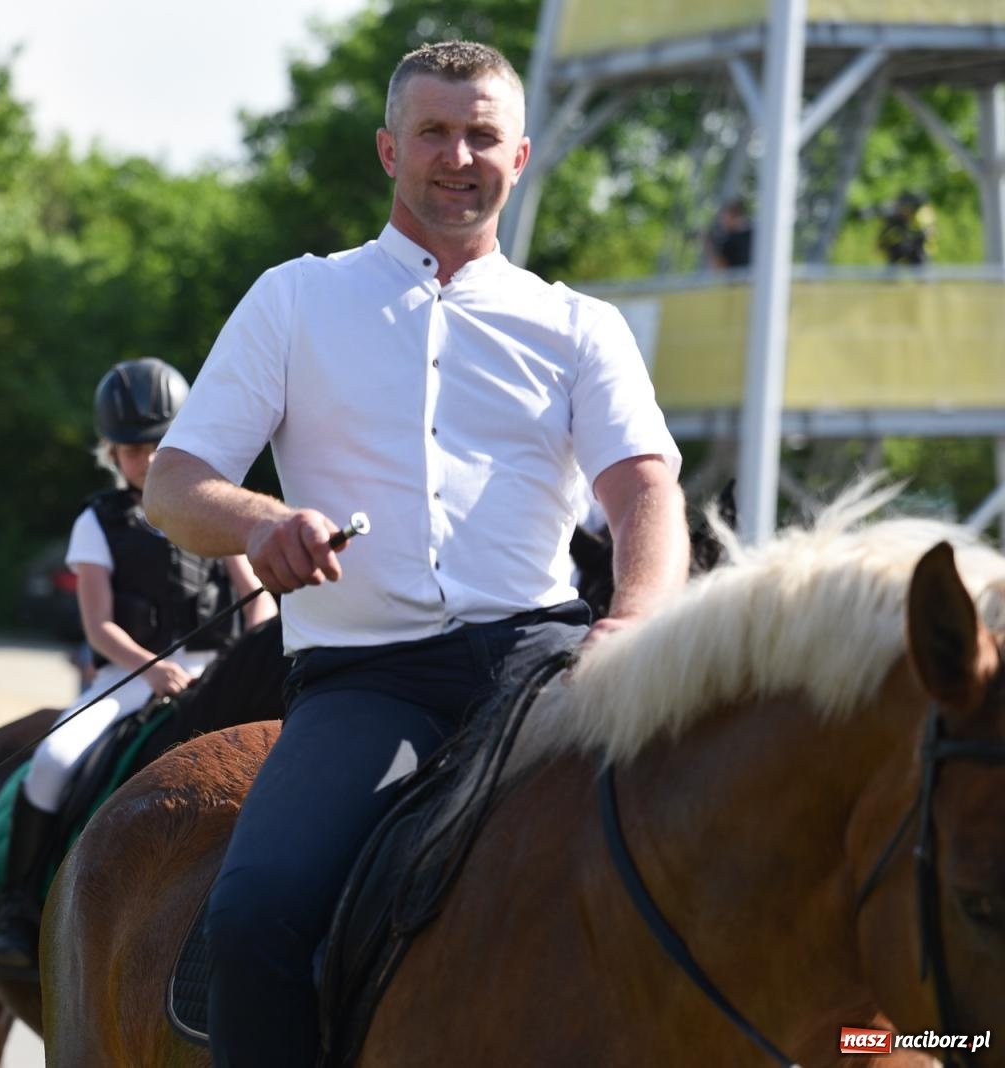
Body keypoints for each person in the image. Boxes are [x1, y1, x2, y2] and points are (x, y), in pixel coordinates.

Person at [142, 41, 689, 1066]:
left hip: (545, 671)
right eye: (433, 132)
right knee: (256, 911)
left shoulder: (582, 326)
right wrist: (260, 525)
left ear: (519, 156)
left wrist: (635, 621)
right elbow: (172, 484)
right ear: (389, 149)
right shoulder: (293, 300)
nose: (457, 156)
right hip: (365, 684)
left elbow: (644, 491)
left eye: (481, 135)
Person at [0, 357, 277, 978]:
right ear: (112, 453)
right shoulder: (97, 523)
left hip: (217, 669)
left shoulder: (209, 503)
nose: (146, 461)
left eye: (158, 446)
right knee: (55, 759)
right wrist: (153, 670)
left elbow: (256, 600)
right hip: (128, 675)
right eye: (133, 450)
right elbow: (99, 629)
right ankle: (18, 908)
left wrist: (252, 652)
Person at [878, 190, 935, 265]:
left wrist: (914, 235)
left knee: (918, 255)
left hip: (919, 250)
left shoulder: (923, 215)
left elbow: (928, 232)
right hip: (903, 247)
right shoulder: (900, 217)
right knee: (897, 250)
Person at [706, 197, 753, 269]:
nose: (722, 221)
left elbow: (719, 268)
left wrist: (708, 244)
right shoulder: (753, 233)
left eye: (724, 216)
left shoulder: (731, 240)